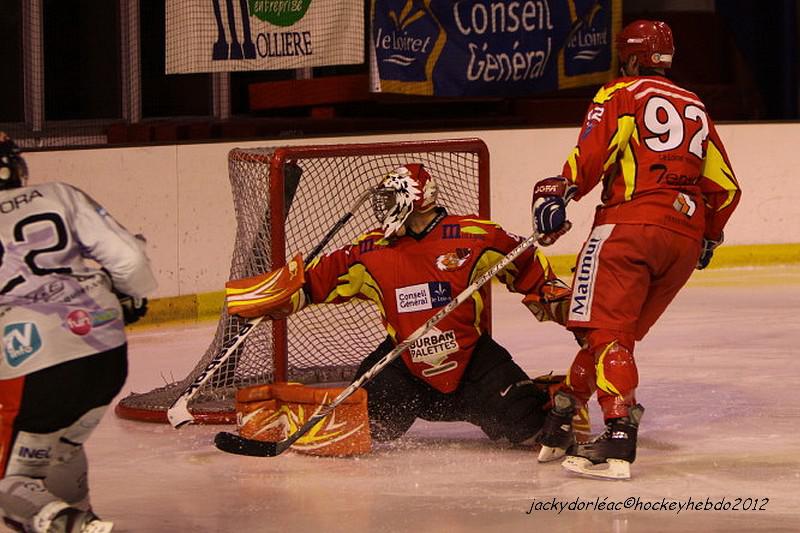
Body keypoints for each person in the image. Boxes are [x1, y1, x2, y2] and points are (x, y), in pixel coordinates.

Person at [228, 163, 577, 447]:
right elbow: (318, 280)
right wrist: (276, 296)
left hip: (472, 363)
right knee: (360, 426)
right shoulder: (371, 250)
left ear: (417, 199)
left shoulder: (473, 234)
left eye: (391, 197)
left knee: (531, 429)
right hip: (404, 365)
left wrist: (561, 303)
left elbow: (525, 264)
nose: (382, 208)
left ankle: (549, 396)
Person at [530, 20, 742, 479]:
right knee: (613, 336)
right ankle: (564, 413)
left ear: (628, 57)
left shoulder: (621, 92)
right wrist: (709, 235)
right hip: (683, 240)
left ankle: (618, 435)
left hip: (628, 229)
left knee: (606, 333)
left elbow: (595, 151)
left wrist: (561, 190)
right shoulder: (695, 104)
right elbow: (726, 188)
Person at [0, 132, 157, 532]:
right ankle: (81, 514)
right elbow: (129, 259)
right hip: (105, 351)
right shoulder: (58, 194)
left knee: (10, 483)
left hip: (31, 361)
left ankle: (71, 526)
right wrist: (132, 296)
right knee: (59, 447)